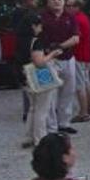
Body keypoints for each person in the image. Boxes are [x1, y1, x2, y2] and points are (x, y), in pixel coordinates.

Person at [20, 15, 62, 148]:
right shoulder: (36, 41)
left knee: (32, 108)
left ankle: (28, 137)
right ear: (33, 26)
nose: (41, 28)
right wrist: (52, 55)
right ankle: (40, 139)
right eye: (39, 25)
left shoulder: (21, 40)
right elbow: (39, 62)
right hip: (39, 78)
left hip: (26, 78)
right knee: (42, 110)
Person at [41, 0, 80, 135]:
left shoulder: (70, 17)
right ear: (48, 2)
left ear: (63, 1)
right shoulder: (42, 17)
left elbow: (76, 38)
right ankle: (51, 127)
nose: (56, 2)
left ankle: (64, 123)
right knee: (49, 95)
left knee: (68, 92)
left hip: (68, 59)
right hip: (48, 59)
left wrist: (60, 46)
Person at [66, 0, 90, 123]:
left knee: (79, 85)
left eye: (70, 5)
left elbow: (75, 39)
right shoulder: (84, 17)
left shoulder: (76, 20)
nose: (67, 8)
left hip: (79, 55)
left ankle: (83, 113)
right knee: (86, 82)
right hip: (86, 54)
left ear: (77, 7)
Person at [12, 0, 39, 120]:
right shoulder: (24, 15)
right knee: (29, 82)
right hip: (26, 53)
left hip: (25, 52)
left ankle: (29, 110)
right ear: (25, 2)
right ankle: (29, 111)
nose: (36, 1)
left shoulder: (22, 13)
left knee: (29, 82)